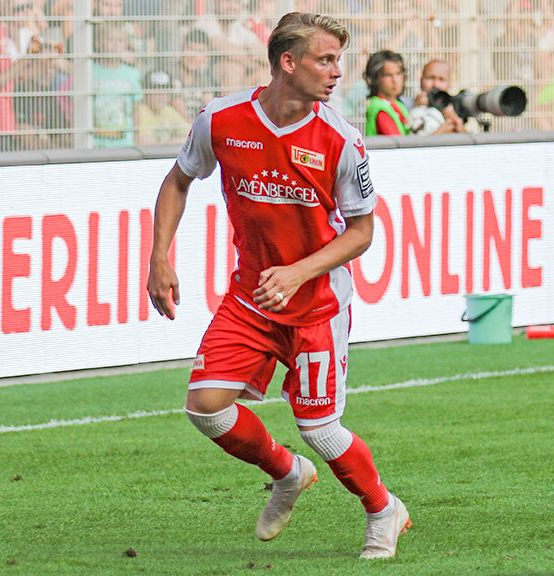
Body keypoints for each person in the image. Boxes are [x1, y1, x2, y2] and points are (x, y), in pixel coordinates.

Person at [147, 12, 411, 559]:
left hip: (316, 303)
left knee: (320, 427)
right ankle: (288, 472)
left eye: (338, 59)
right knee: (206, 408)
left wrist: (298, 272)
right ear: (287, 63)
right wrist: (159, 257)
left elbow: (361, 233)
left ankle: (384, 509)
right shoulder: (220, 120)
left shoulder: (340, 139)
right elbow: (177, 181)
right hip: (251, 297)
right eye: (325, 59)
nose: (337, 72)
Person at [409, 59, 465, 135]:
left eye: (441, 79)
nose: (435, 84)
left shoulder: (456, 105)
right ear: (421, 80)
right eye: (430, 78)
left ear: (449, 83)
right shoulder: (406, 106)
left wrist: (454, 120)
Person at [363, 49, 411, 136]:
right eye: (387, 75)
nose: (395, 80)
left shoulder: (398, 104)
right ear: (375, 79)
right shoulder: (380, 109)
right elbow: (399, 145)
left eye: (398, 73)